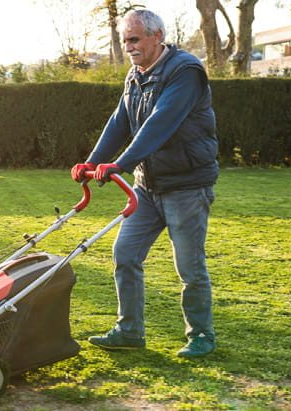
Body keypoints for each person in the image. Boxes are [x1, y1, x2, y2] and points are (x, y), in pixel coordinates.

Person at [70, 9, 219, 358]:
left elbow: (161, 122)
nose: (129, 47)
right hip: (147, 186)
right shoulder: (135, 75)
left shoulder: (186, 71)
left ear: (157, 36)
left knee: (189, 267)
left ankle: (201, 335)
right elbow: (120, 120)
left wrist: (120, 164)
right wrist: (92, 161)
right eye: (125, 41)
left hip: (186, 185)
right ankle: (129, 331)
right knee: (125, 254)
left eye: (135, 39)